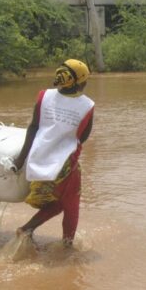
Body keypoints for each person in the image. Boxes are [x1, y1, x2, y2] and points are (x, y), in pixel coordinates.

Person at [14, 59, 95, 247]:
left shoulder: (44, 96)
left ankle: (28, 229)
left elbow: (33, 127)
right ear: (80, 82)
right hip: (65, 164)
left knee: (58, 203)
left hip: (38, 159)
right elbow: (82, 138)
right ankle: (66, 246)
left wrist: (21, 159)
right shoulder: (87, 105)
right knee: (71, 206)